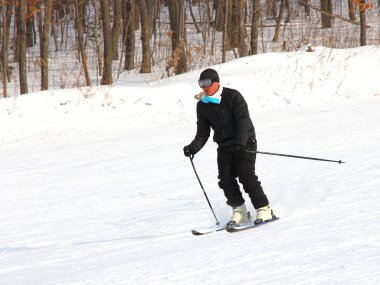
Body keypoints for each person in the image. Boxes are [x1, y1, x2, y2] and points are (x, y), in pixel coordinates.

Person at [183, 68, 276, 226]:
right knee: (225, 179)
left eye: (206, 83)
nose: (204, 87)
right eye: (201, 84)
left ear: (216, 82)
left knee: (245, 175)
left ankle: (264, 208)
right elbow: (203, 133)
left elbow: (243, 121)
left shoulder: (233, 96)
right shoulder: (203, 105)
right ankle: (239, 211)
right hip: (224, 145)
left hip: (245, 141)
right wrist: (193, 148)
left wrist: (240, 142)